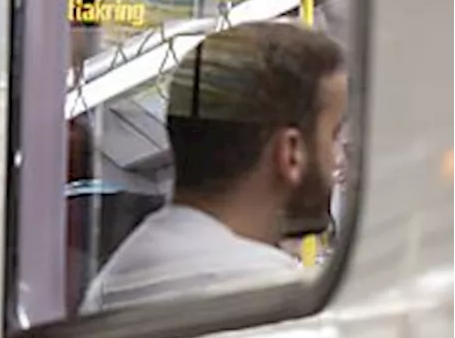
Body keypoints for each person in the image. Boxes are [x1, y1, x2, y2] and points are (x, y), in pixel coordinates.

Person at [81, 20, 348, 313]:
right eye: (333, 136)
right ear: (291, 152)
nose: (338, 159)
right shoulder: (265, 294)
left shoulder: (123, 273)